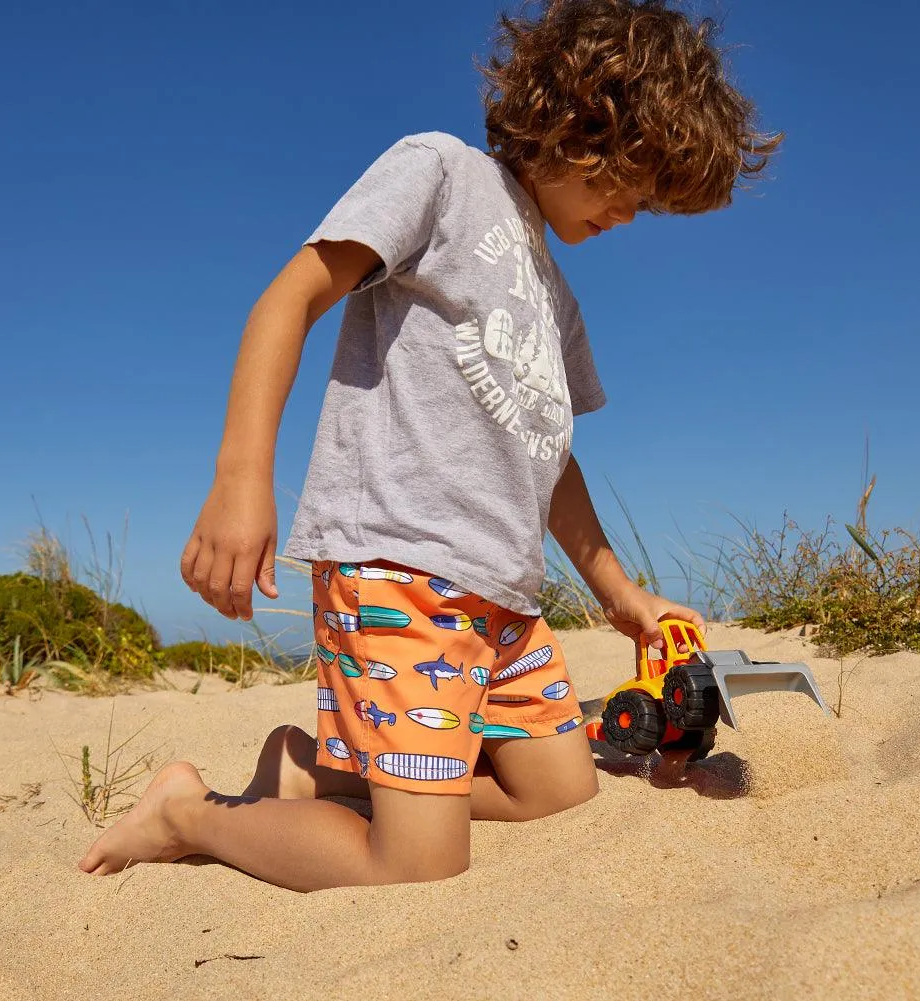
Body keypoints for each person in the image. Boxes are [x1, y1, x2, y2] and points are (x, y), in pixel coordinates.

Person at [79, 0, 780, 891]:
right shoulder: (440, 174)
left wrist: (618, 591)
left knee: (561, 790)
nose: (631, 214)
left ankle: (310, 774)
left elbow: (548, 452)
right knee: (419, 862)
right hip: (399, 566)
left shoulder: (556, 301)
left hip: (500, 597)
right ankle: (190, 811)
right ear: (575, 119)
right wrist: (241, 478)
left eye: (647, 203)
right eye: (626, 184)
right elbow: (286, 300)